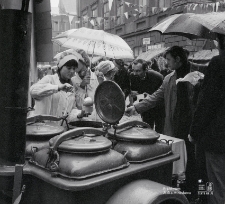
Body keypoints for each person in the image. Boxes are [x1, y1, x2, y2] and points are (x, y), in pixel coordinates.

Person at [125, 46, 203, 201]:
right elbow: (155, 97)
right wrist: (136, 108)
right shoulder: (168, 78)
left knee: (195, 164)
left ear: (178, 59)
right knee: (179, 163)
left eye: (168, 60)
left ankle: (196, 195)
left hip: (195, 128)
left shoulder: (198, 74)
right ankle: (181, 194)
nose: (166, 63)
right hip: (175, 128)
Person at [189, 33, 225, 204]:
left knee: (217, 188)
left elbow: (207, 103)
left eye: (217, 40)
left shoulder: (219, 62)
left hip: (219, 139)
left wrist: (194, 132)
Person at [29, 51, 80, 123]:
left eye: (74, 69)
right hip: (42, 128)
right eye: (69, 68)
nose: (72, 71)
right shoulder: (49, 79)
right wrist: (58, 87)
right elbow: (33, 91)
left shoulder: (72, 87)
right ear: (60, 67)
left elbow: (70, 112)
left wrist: (79, 114)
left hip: (60, 131)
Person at [129, 59, 164, 133]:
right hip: (145, 108)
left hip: (159, 108)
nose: (135, 73)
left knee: (160, 130)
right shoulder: (132, 76)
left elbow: (159, 96)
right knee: (146, 129)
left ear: (146, 69)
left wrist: (141, 95)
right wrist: (141, 96)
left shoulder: (157, 77)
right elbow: (134, 95)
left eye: (138, 71)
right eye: (133, 70)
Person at [71, 49, 100, 122]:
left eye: (76, 60)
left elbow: (97, 100)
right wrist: (82, 86)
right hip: (79, 121)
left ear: (84, 61)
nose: (74, 63)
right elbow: (77, 105)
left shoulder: (95, 77)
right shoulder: (73, 80)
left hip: (95, 119)